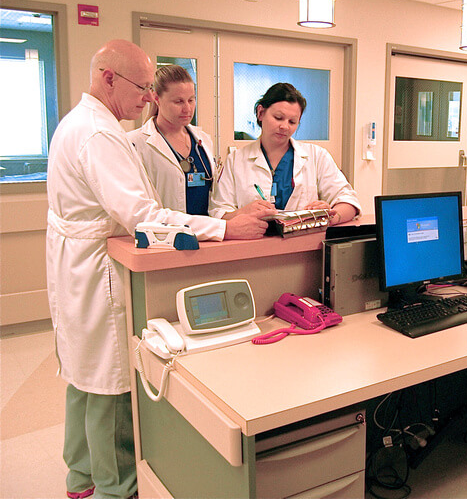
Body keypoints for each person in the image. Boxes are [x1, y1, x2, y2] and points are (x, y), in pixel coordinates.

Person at [46, 40, 268, 499]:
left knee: (83, 374)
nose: (149, 96)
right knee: (109, 381)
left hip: (76, 264)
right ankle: (116, 488)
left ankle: (81, 476)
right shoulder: (101, 134)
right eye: (143, 87)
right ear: (109, 78)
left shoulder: (82, 121)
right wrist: (224, 229)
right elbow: (143, 215)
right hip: (97, 269)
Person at [208, 82, 361, 224]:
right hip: (253, 241)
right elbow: (218, 213)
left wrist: (329, 217)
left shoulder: (317, 156)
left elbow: (349, 201)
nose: (285, 127)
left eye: (292, 122)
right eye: (278, 118)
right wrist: (242, 213)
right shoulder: (235, 160)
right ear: (260, 113)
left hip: (305, 241)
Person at [129, 64, 215, 215]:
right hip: (165, 228)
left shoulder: (203, 140)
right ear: (156, 98)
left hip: (208, 227)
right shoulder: (135, 143)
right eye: (178, 102)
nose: (187, 109)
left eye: (191, 100)